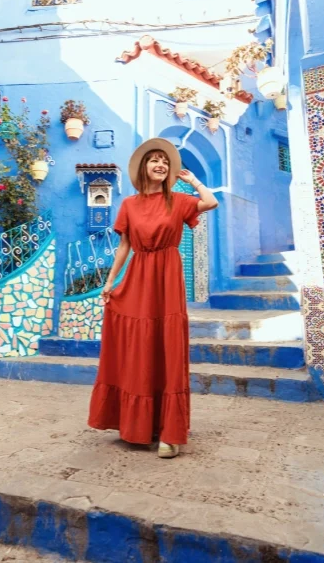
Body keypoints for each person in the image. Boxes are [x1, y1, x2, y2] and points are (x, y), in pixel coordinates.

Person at [87, 138, 218, 458]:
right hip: (138, 277)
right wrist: (109, 281)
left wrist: (194, 181)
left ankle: (170, 434)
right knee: (139, 346)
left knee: (167, 346)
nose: (160, 164)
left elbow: (211, 202)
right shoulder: (129, 205)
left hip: (168, 277)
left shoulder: (179, 200)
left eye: (165, 161)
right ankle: (137, 425)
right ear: (144, 167)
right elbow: (124, 247)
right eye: (154, 160)